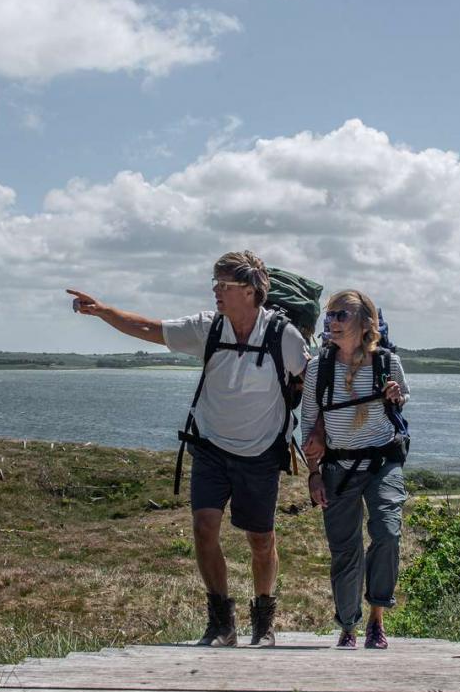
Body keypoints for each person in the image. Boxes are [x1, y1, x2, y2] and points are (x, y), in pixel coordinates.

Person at [67, 251, 307, 648]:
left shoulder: (284, 336)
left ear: (250, 291)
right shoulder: (207, 327)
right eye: (215, 283)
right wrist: (103, 310)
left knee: (261, 540)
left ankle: (264, 621)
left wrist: (321, 436)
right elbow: (150, 328)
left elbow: (313, 382)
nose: (216, 291)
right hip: (210, 445)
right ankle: (221, 623)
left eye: (224, 285)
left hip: (261, 451)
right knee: (203, 528)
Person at [300, 290, 410, 649]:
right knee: (345, 550)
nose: (332, 321)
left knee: (387, 533)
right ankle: (348, 626)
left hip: (382, 462)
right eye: (329, 315)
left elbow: (402, 400)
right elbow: (309, 423)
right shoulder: (318, 368)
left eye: (341, 315)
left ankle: (377, 619)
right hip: (337, 466)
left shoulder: (387, 362)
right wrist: (313, 473)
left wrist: (395, 395)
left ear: (366, 323)